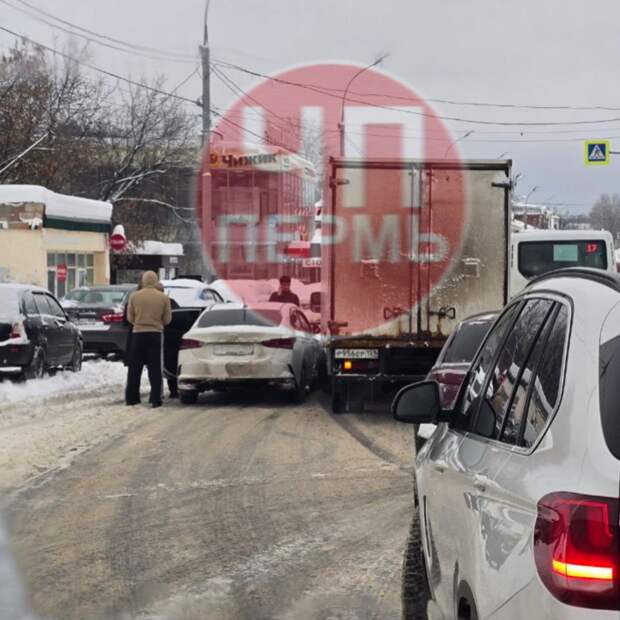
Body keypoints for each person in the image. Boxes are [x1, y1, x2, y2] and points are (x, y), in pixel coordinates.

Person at [125, 271, 172, 408]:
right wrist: (157, 323)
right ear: (156, 281)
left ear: (143, 281)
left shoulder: (134, 296)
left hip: (138, 334)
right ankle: (155, 398)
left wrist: (139, 322)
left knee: (135, 367)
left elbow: (130, 318)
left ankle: (132, 397)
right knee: (155, 368)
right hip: (155, 334)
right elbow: (167, 319)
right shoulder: (163, 298)